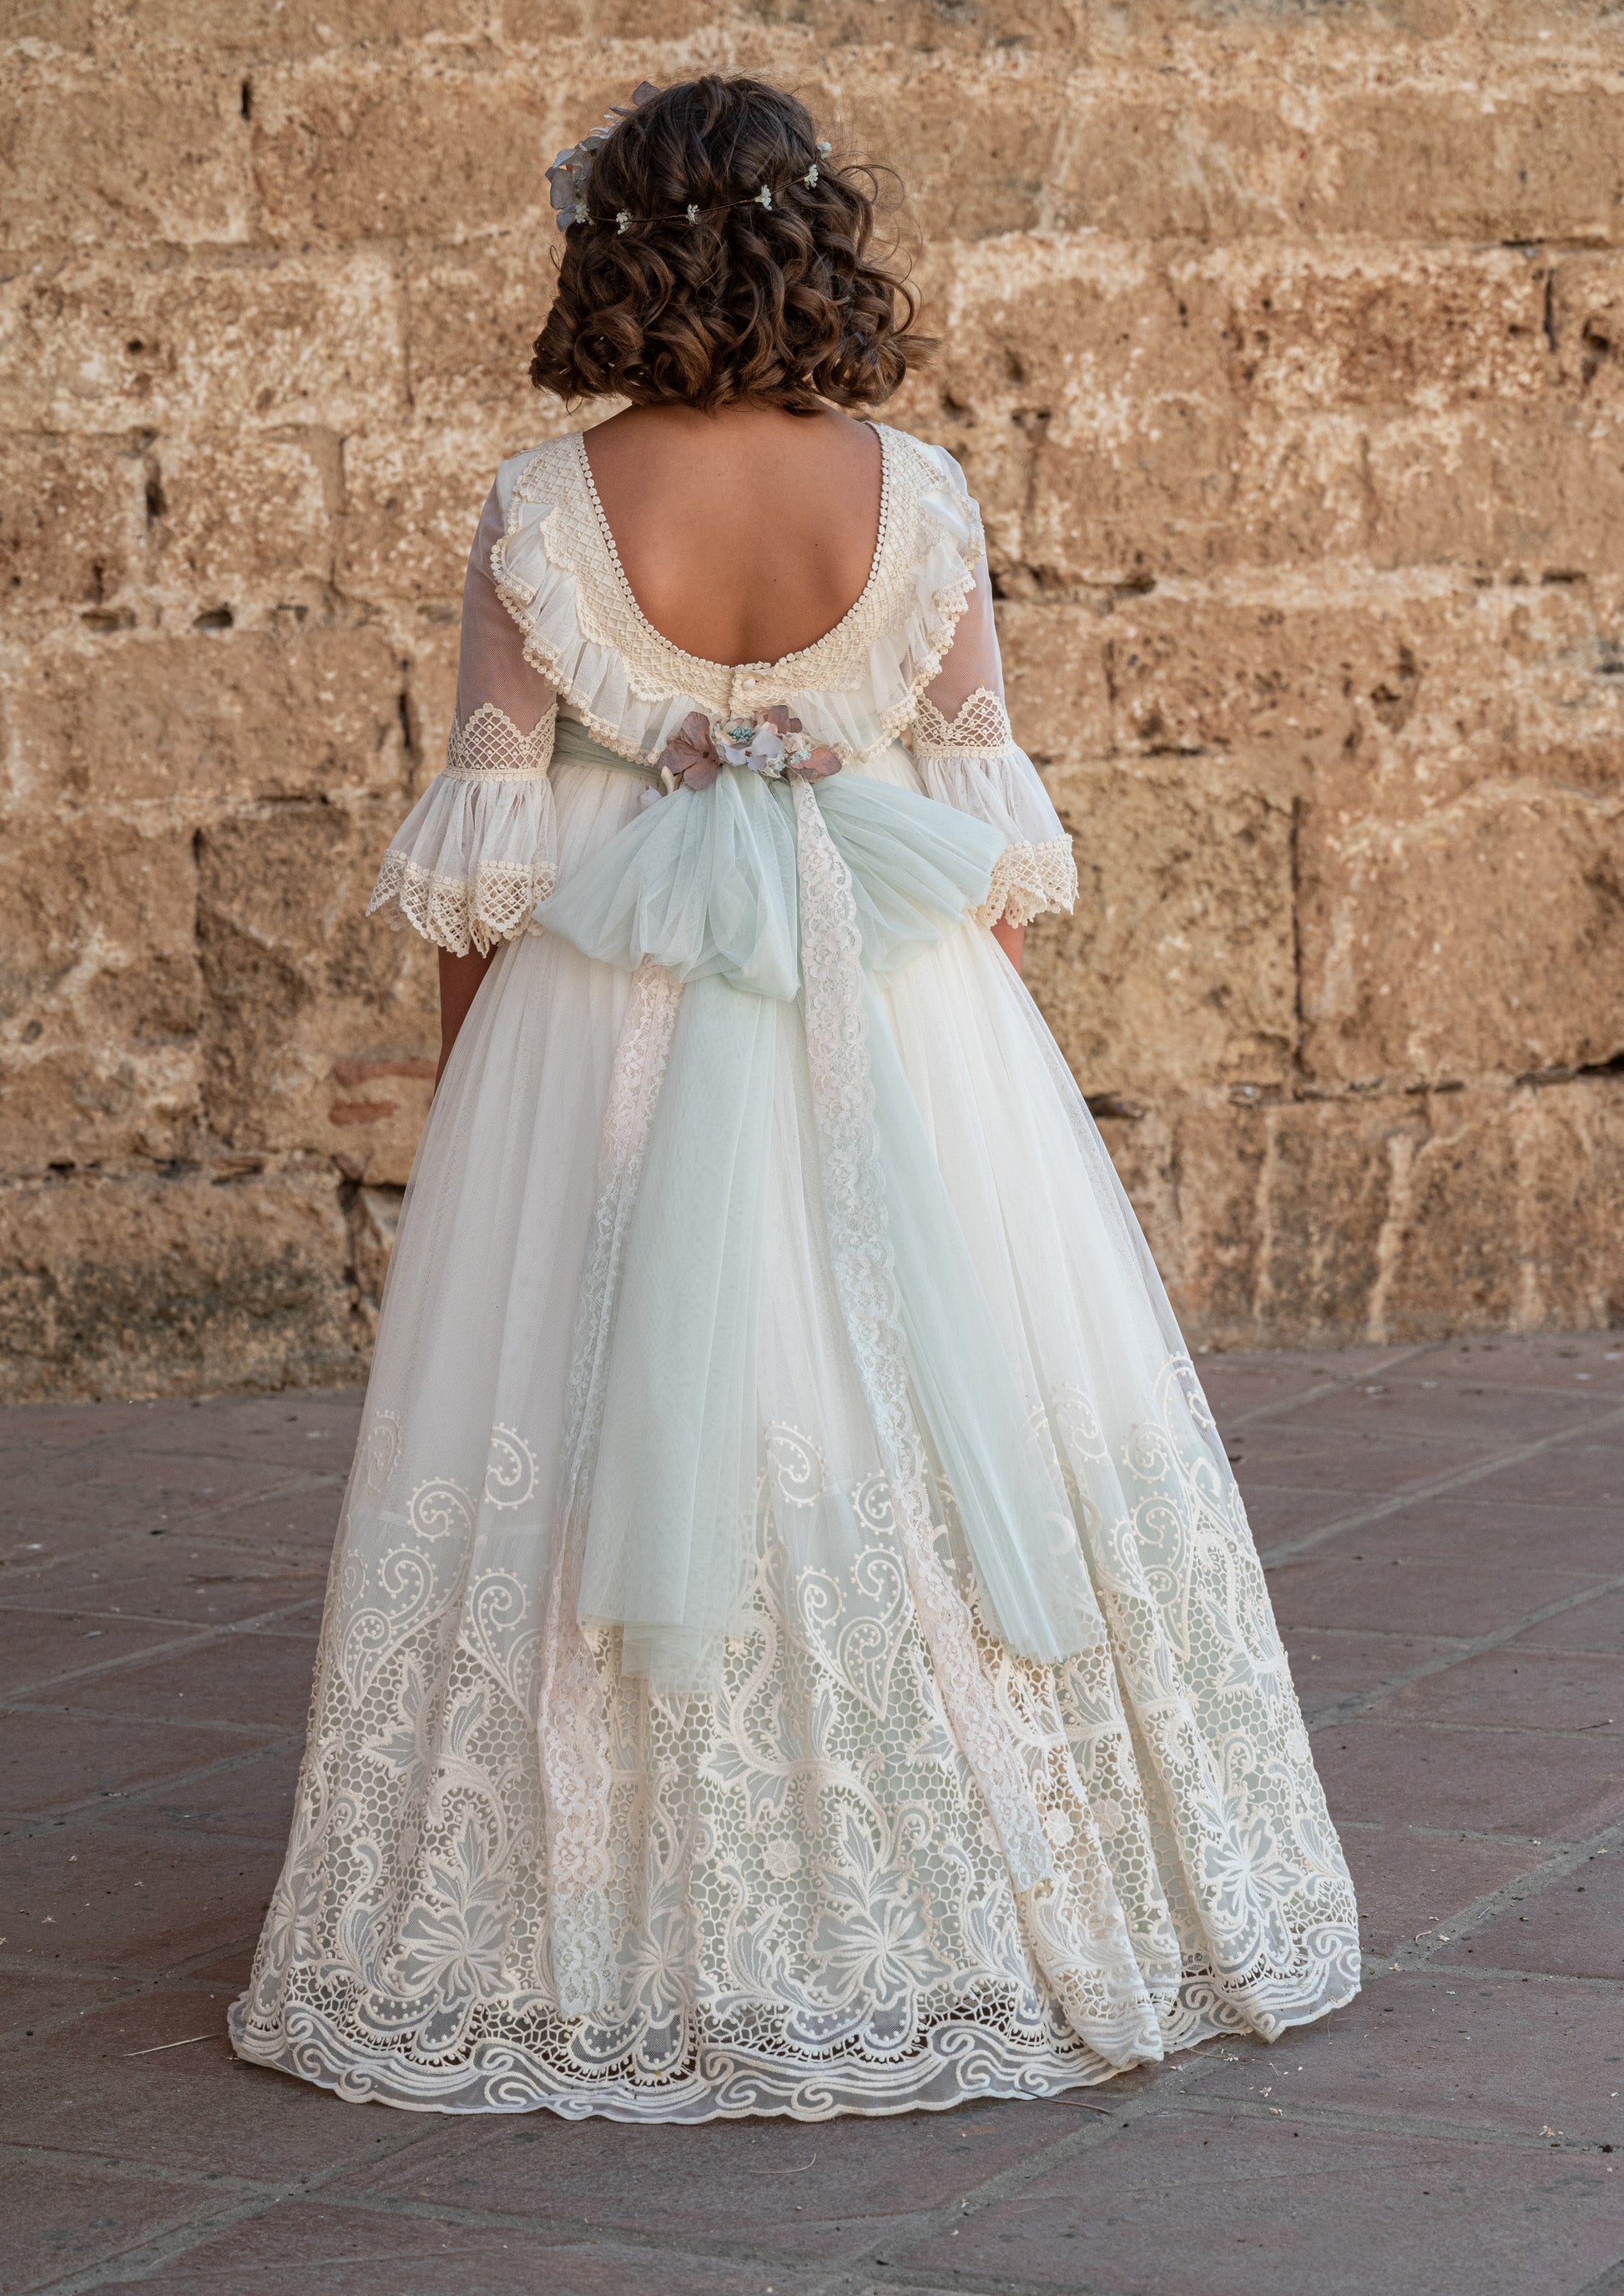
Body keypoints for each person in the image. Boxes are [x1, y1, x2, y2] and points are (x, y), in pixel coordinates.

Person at [230, 74, 1357, 2122]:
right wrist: (978, 1101)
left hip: (607, 1008)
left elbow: (489, 856)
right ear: (817, 241)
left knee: (604, 1404)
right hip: (891, 996)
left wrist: (479, 1097)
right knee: (913, 1394)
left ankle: (594, 1906)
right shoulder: (914, 494)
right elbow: (984, 845)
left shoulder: (544, 502)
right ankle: (982, 1874)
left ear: (611, 253)